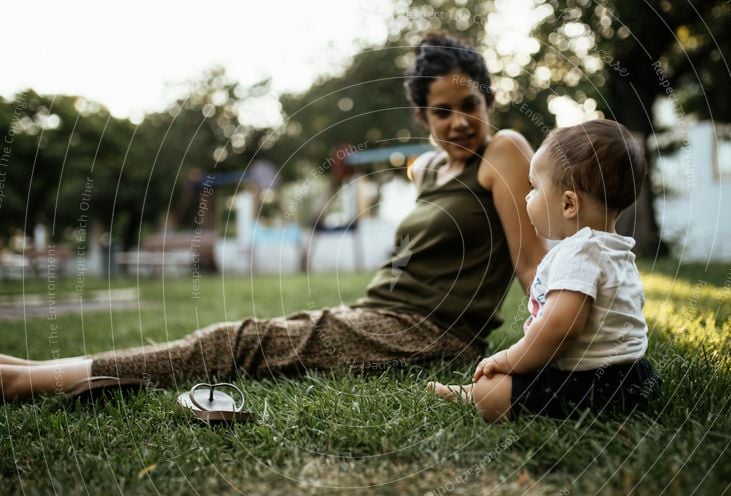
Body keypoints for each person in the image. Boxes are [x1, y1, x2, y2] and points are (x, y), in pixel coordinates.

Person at [0, 33, 546, 401]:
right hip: (381, 317)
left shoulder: (505, 152)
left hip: (428, 335)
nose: (458, 123)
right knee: (257, 337)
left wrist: (540, 346)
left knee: (240, 342)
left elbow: (530, 264)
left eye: (469, 106)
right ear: (421, 116)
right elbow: (430, 175)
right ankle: (28, 368)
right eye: (441, 112)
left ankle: (28, 380)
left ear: (489, 101)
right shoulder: (430, 170)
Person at [428, 119, 663, 422]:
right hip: (634, 375)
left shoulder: (579, 252)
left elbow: (559, 328)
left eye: (534, 188)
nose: (527, 197)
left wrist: (509, 358)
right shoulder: (614, 249)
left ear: (568, 204)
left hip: (596, 383)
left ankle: (470, 395)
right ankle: (470, 392)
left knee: (492, 389)